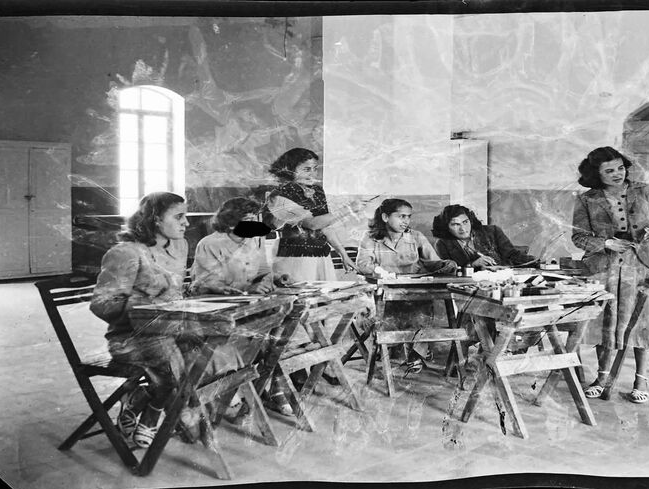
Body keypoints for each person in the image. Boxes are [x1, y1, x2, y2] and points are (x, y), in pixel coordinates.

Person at [90, 192, 241, 448]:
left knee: (217, 350)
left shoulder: (179, 246)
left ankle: (143, 400)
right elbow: (102, 305)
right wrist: (143, 303)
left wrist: (206, 289)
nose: (187, 224)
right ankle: (155, 411)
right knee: (180, 377)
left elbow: (174, 294)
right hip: (133, 338)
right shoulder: (126, 252)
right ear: (155, 220)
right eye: (179, 217)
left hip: (172, 331)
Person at [571, 146, 649, 404]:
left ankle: (640, 380)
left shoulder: (647, 191)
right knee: (605, 321)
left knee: (643, 321)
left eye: (620, 168)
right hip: (605, 267)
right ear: (596, 174)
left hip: (642, 266)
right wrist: (606, 244)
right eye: (609, 171)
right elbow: (578, 237)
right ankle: (602, 377)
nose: (617, 174)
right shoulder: (586, 200)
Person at [187, 196, 294, 416]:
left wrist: (272, 280)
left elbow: (264, 272)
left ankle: (266, 386)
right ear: (230, 221)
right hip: (216, 309)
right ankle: (257, 388)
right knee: (265, 339)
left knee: (278, 331)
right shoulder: (210, 243)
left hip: (245, 307)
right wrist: (247, 290)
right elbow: (207, 283)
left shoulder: (254, 239)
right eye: (248, 220)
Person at [355, 199, 459, 373]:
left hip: (411, 294)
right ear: (385, 217)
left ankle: (416, 354)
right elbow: (362, 264)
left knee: (423, 306)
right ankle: (414, 351)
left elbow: (433, 262)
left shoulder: (416, 236)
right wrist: (379, 270)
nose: (406, 221)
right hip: (382, 296)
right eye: (401, 216)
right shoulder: (370, 238)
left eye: (408, 217)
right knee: (386, 317)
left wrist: (445, 265)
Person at [265, 147, 365, 282]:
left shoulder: (316, 191)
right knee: (301, 298)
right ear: (289, 170)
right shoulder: (278, 196)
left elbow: (325, 227)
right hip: (295, 258)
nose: (313, 174)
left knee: (325, 299)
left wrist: (343, 255)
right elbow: (312, 224)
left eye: (315, 169)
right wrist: (349, 209)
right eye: (307, 169)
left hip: (321, 255)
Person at [432, 204, 538, 269]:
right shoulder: (442, 244)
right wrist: (472, 264)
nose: (463, 228)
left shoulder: (492, 231)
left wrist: (537, 262)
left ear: (471, 220)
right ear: (446, 227)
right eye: (455, 224)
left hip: (502, 279)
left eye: (465, 222)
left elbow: (512, 255)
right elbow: (448, 270)